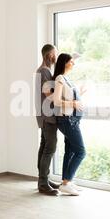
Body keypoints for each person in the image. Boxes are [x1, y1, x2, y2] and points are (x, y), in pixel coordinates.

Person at [52, 53, 86, 196]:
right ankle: (67, 182)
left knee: (70, 151)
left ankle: (66, 182)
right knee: (81, 151)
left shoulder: (68, 79)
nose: (73, 64)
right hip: (67, 120)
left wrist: (80, 95)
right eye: (71, 62)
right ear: (65, 63)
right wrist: (74, 103)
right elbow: (56, 101)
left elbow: (71, 99)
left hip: (72, 119)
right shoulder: (60, 78)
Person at [35, 44, 61, 195]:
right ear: (49, 55)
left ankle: (43, 179)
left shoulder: (42, 71)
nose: (55, 57)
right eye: (54, 54)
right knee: (50, 147)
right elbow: (48, 94)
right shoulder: (44, 71)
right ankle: (43, 183)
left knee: (44, 145)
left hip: (44, 115)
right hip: (47, 116)